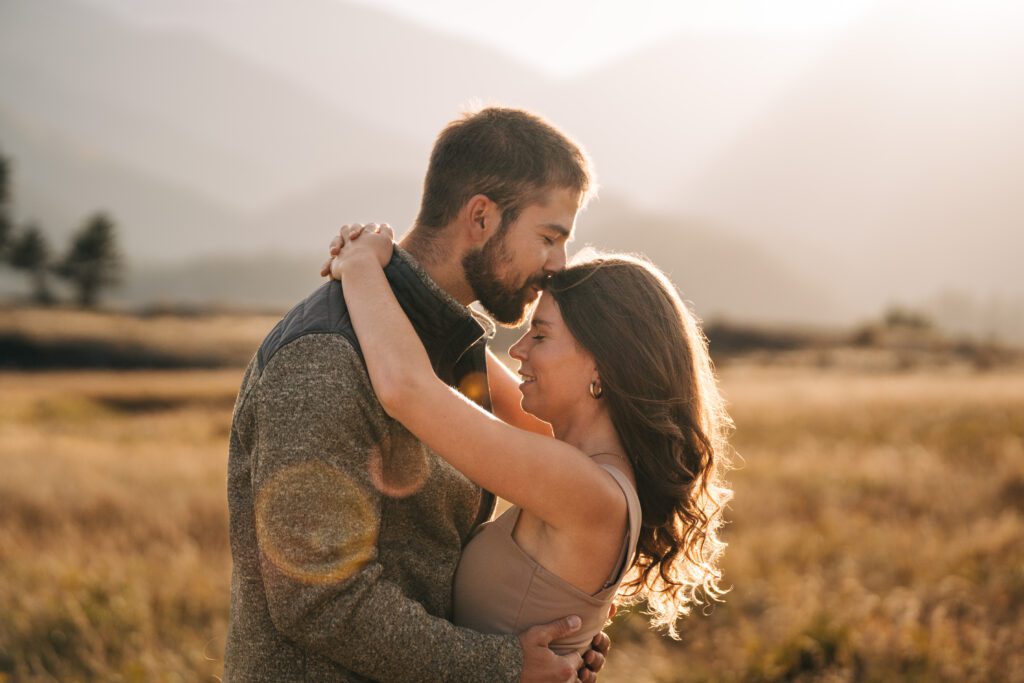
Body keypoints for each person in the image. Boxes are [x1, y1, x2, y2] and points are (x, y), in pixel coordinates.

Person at [224, 107, 610, 682]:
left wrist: (548, 626)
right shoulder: (326, 355)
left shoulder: (452, 348)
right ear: (480, 217)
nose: (557, 265)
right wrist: (501, 666)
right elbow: (317, 600)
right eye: (548, 237)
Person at [326, 224, 733, 655]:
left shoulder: (582, 487)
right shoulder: (577, 463)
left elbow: (407, 390)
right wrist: (397, 269)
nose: (518, 350)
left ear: (603, 366)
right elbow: (465, 360)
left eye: (540, 336)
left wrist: (360, 264)